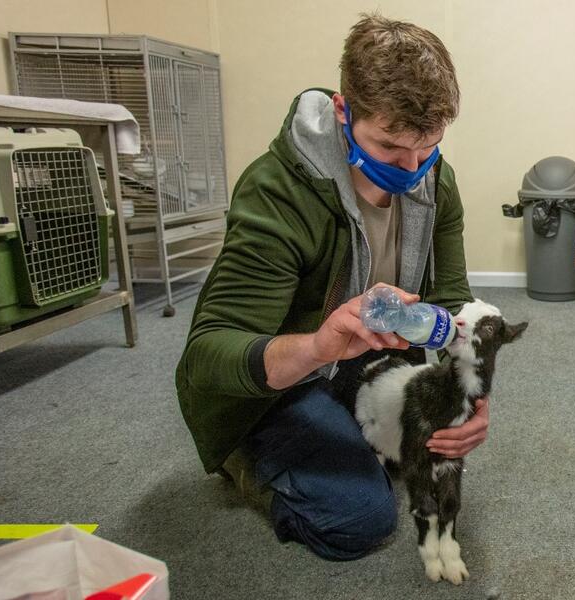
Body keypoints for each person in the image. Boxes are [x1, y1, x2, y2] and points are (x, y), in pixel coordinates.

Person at [175, 13, 489, 561]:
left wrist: (474, 392)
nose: (413, 170)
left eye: (429, 146)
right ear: (344, 112)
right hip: (283, 375)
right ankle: (240, 454)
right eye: (390, 148)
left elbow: (453, 305)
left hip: (365, 357)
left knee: (429, 450)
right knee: (359, 520)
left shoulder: (436, 180)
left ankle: (347, 426)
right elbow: (208, 353)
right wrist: (320, 345)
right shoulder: (277, 191)